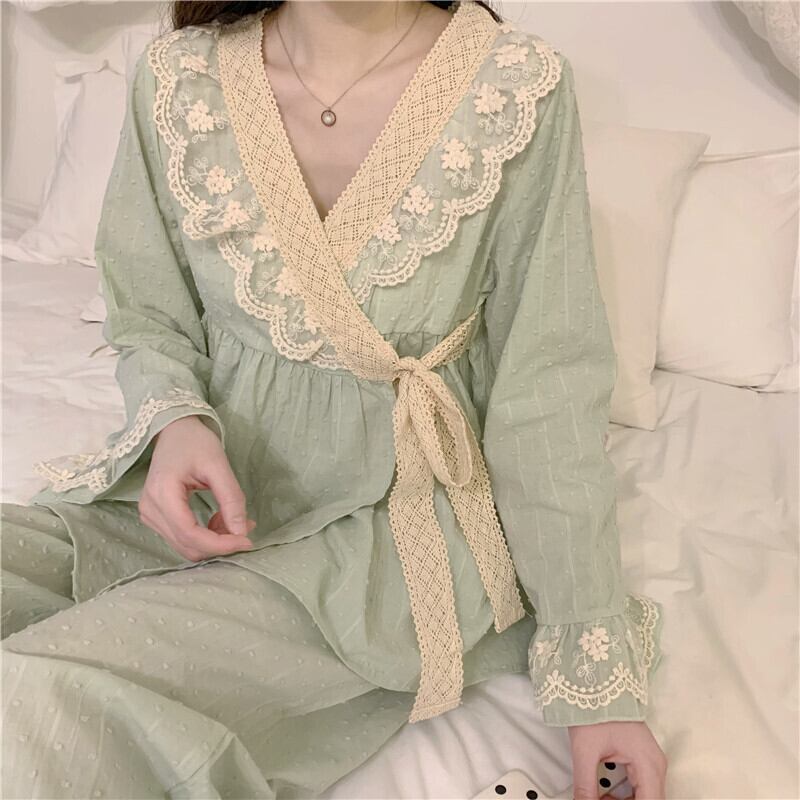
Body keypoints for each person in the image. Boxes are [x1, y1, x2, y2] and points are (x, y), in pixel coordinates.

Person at [1, 1, 669, 797]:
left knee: (33, 698)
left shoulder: (514, 88)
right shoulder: (178, 77)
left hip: (392, 530)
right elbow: (149, 309)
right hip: (213, 495)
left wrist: (595, 679)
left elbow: (548, 388)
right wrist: (176, 420)